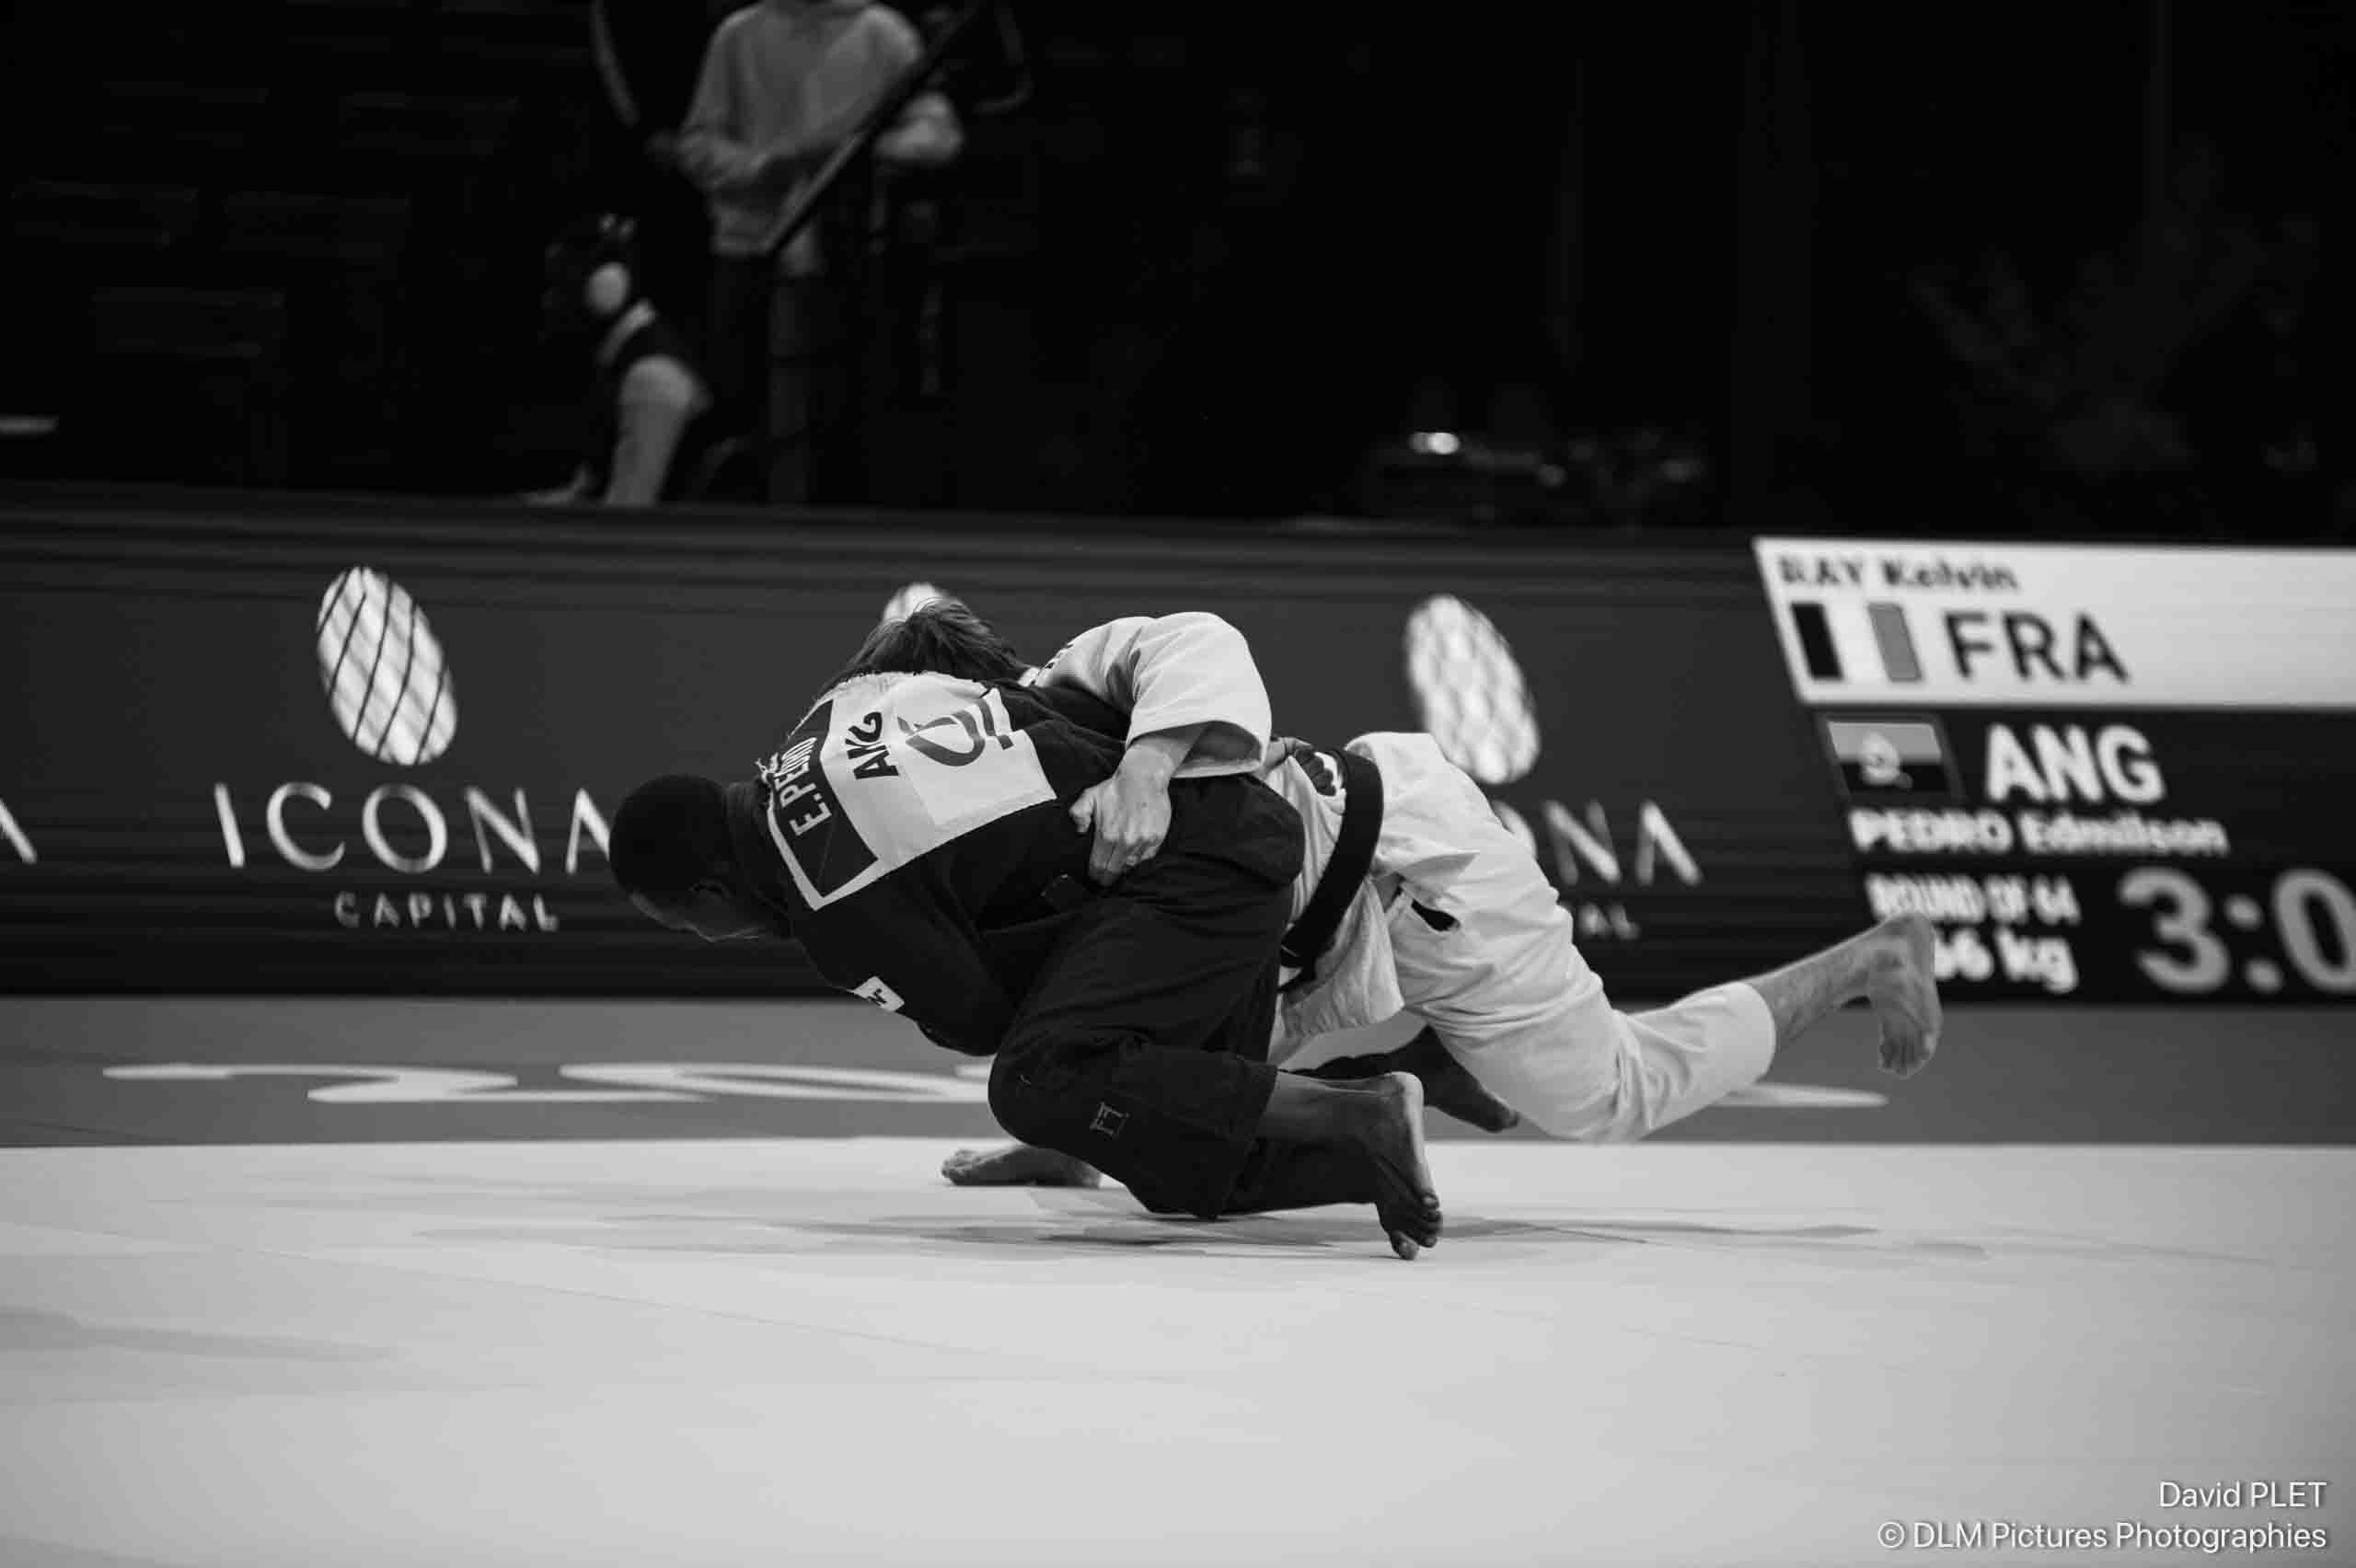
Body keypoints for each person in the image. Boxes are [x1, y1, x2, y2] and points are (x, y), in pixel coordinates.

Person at [611, 605, 1449, 1259]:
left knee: (1037, 1080)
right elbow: (1030, 703)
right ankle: (1409, 1085)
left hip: (1198, 879)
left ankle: (1364, 1112)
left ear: (714, 887)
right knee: (1178, 1164)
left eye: (693, 922)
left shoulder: (826, 900)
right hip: (1221, 830)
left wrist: (1064, 1098)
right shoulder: (828, 716)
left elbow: (984, 1021)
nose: (715, 939)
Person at [662, 0, 963, 502]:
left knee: (843, 418)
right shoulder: (740, 34)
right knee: (742, 409)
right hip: (750, 250)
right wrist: (764, 168)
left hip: (851, 259)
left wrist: (856, 155)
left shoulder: (882, 32)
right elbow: (698, 145)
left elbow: (939, 133)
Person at [524, 213, 715, 508]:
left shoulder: (651, 376)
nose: (549, 302)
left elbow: (628, 514)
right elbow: (589, 491)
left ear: (604, 290)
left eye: (559, 286)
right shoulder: (618, 365)